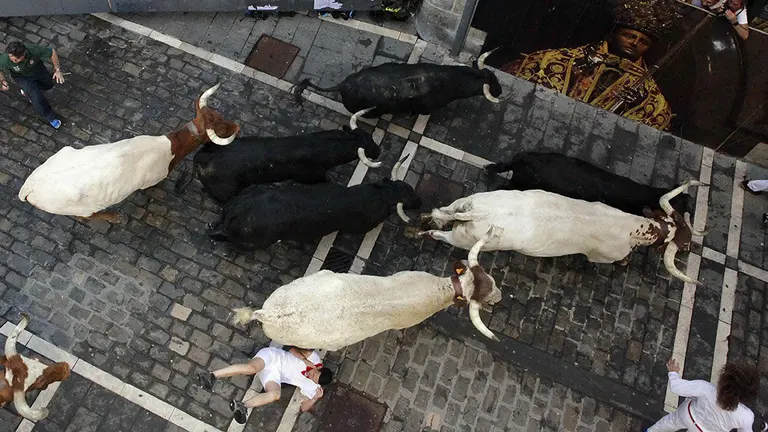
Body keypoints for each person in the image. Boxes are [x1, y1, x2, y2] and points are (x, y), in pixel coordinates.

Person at [500, 0, 680, 130]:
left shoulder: (650, 97)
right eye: (629, 36)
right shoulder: (557, 59)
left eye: (643, 42)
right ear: (612, 35)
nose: (635, 43)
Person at [198, 346, 333, 424]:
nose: (311, 376)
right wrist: (304, 360)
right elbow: (292, 349)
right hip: (272, 357)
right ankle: (212, 375)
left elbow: (303, 408)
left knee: (275, 394)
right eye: (314, 373)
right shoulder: (314, 358)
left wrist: (315, 398)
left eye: (314, 379)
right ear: (318, 368)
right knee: (251, 369)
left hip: (274, 375)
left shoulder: (313, 386)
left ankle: (243, 406)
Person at [645, 357, 760, 431]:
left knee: (669, 423)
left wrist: (673, 373)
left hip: (687, 414)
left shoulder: (706, 388)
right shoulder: (746, 416)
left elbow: (676, 387)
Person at [0, 41, 64, 129]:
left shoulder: (33, 50)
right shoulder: (5, 59)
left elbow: (52, 52)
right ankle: (50, 117)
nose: (13, 60)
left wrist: (57, 70)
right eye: (11, 57)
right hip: (22, 78)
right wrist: (2, 80)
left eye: (16, 59)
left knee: (48, 85)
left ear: (24, 54)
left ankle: (29, 91)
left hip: (38, 71)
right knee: (37, 98)